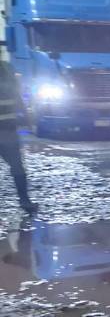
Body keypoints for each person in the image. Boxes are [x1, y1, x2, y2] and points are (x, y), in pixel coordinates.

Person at [0, 44, 37, 214]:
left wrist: (26, 116)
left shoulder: (7, 69)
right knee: (17, 166)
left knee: (17, 166)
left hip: (8, 129)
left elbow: (17, 94)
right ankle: (24, 200)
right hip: (7, 129)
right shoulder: (7, 69)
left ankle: (25, 199)